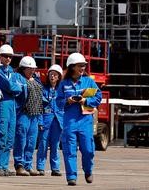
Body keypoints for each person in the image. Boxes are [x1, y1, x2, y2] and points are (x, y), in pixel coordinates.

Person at [57, 52, 102, 186]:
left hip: (85, 121)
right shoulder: (64, 84)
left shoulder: (89, 82)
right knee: (69, 150)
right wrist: (67, 101)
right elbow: (58, 102)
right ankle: (71, 176)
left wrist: (85, 100)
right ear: (72, 67)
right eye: (80, 66)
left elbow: (98, 97)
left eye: (84, 65)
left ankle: (88, 170)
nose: (82, 68)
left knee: (88, 149)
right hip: (70, 122)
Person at [13, 56, 43, 176]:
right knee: (21, 140)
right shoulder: (18, 78)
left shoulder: (36, 79)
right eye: (29, 68)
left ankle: (28, 165)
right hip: (24, 114)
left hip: (35, 115)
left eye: (33, 68)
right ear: (23, 68)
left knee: (31, 141)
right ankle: (19, 165)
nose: (32, 71)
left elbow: (41, 98)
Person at [0, 44, 21, 176]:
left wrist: (14, 88)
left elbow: (19, 88)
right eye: (5, 56)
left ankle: (4, 166)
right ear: (0, 56)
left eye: (10, 56)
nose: (8, 58)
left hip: (12, 104)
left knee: (10, 137)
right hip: (3, 104)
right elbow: (10, 86)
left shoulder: (11, 71)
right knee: (2, 134)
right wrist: (14, 88)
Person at [37, 64, 64, 176]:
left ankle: (55, 168)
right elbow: (39, 106)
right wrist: (40, 121)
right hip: (46, 120)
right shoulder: (43, 90)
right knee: (43, 144)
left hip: (58, 122)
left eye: (55, 75)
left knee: (55, 145)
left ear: (59, 77)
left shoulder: (62, 91)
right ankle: (40, 168)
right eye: (51, 74)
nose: (52, 77)